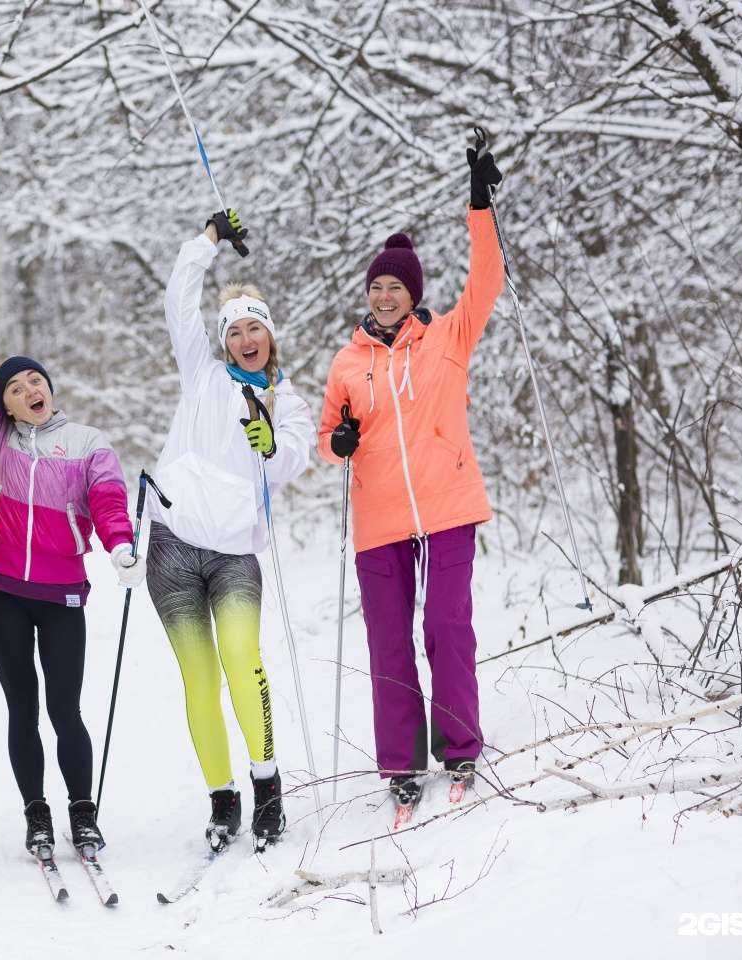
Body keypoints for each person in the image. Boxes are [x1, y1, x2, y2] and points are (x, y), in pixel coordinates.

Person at [0, 278, 138, 856]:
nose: (28, 389)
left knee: (65, 708)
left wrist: (120, 544)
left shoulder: (87, 441)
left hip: (63, 595)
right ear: (6, 404)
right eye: (15, 387)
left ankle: (82, 812)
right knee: (23, 708)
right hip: (5, 593)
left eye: (35, 380)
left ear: (49, 389)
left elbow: (108, 498)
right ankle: (36, 813)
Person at [316, 147, 505, 810]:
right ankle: (400, 763)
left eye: (395, 287)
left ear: (414, 294)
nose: (385, 295)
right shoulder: (347, 362)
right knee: (388, 642)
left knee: (446, 628)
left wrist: (480, 208)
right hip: (380, 518)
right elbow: (327, 440)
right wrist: (338, 442)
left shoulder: (449, 336)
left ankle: (459, 747)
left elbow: (487, 279)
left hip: (448, 504)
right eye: (377, 287)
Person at [147, 209, 315, 849]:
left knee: (243, 661)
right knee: (199, 678)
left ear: (270, 337)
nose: (246, 338)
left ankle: (267, 785)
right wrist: (208, 241)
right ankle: (222, 799)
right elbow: (178, 300)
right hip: (173, 544)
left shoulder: (285, 400)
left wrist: (274, 445)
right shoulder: (204, 375)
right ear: (224, 341)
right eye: (236, 330)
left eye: (255, 329)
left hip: (234, 554)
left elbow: (296, 454)